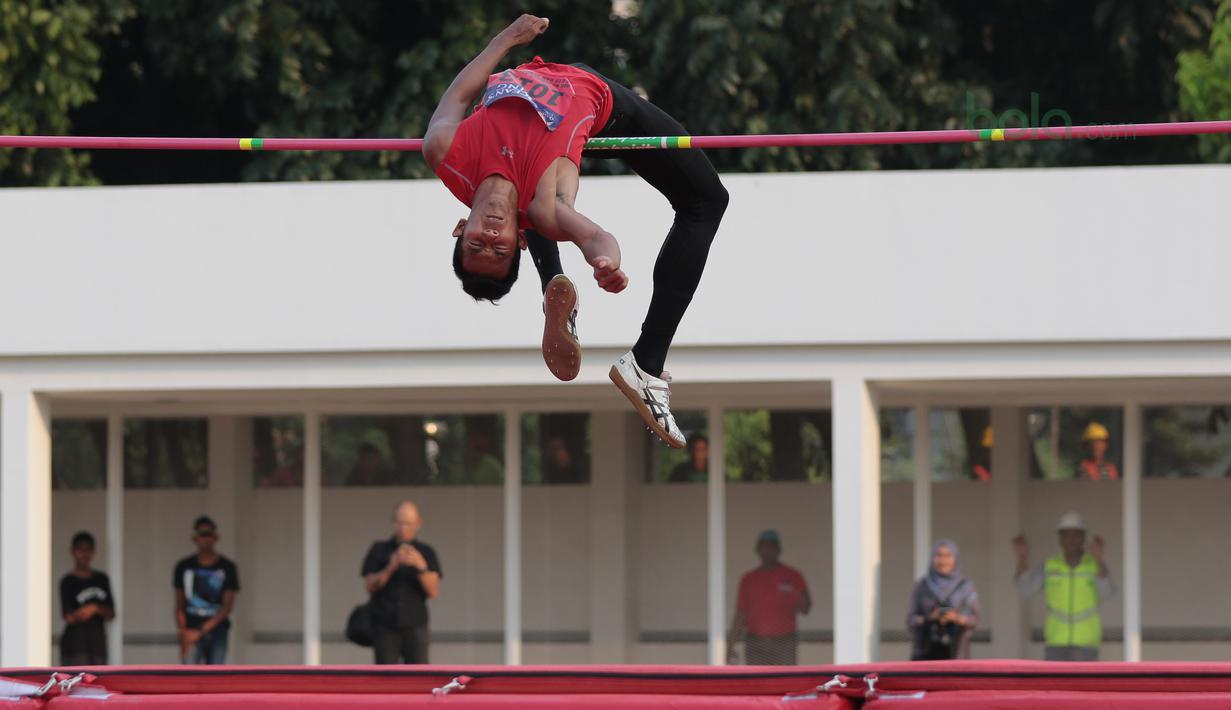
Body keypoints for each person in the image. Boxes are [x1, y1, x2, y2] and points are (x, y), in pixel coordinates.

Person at [424, 14, 729, 449]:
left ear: (460, 228)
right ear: (519, 239)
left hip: (550, 72)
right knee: (707, 201)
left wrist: (506, 39)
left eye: (477, 244)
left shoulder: (446, 153)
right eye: (499, 249)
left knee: (538, 197)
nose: (490, 236)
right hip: (605, 104)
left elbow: (458, 93)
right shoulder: (544, 209)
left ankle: (552, 280)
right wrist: (606, 261)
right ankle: (647, 363)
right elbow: (595, 236)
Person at [1013, 511, 1116, 661]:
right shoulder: (1050, 566)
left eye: (1075, 535)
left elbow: (1108, 593)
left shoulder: (1093, 565)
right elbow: (1026, 589)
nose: (1071, 540)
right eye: (1066, 535)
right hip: (1056, 643)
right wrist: (1022, 557)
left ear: (1083, 538)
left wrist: (1099, 560)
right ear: (1060, 539)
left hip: (1086, 644)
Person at [361, 501, 443, 664]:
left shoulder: (426, 551)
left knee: (418, 674)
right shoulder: (379, 549)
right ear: (393, 522)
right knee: (385, 674)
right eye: (400, 523)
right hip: (385, 623)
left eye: (409, 524)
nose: (404, 528)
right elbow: (369, 586)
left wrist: (420, 566)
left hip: (416, 624)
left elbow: (433, 591)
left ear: (418, 524)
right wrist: (390, 567)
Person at [727, 530, 811, 665]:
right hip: (756, 642)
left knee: (785, 678)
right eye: (764, 546)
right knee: (756, 678)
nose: (768, 551)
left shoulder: (793, 576)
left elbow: (805, 608)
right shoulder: (749, 579)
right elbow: (741, 614)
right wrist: (730, 646)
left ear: (778, 549)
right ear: (758, 549)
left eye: (771, 546)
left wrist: (793, 591)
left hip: (784, 642)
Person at [173, 516, 240, 664]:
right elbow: (179, 605)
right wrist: (184, 634)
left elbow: (227, 606)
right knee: (189, 674)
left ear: (216, 537)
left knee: (216, 675)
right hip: (190, 629)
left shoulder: (227, 567)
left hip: (218, 631)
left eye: (209, 534)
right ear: (195, 538)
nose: (206, 539)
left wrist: (201, 631)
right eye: (202, 534)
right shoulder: (184, 566)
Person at [906, 539, 980, 660]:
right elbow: (910, 620)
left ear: (955, 558)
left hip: (956, 654)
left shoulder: (965, 586)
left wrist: (956, 618)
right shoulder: (922, 586)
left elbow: (975, 620)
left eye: (948, 556)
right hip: (925, 654)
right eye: (939, 555)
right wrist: (930, 618)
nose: (943, 561)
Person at [59, 531, 115, 665]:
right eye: (80, 549)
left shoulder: (101, 579)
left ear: (93, 552)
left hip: (97, 646)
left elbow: (112, 613)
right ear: (73, 551)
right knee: (75, 678)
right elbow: (68, 616)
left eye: (88, 549)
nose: (84, 554)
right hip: (75, 647)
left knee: (97, 678)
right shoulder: (67, 581)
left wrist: (96, 608)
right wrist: (85, 611)